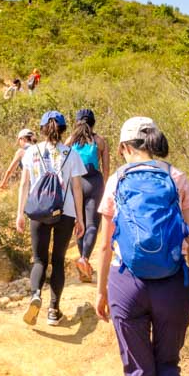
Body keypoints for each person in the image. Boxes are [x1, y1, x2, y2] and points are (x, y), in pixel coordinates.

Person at [95, 117, 189, 376]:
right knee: (168, 364)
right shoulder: (177, 177)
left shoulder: (117, 180)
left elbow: (105, 244)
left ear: (126, 147)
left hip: (126, 284)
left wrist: (101, 292)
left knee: (139, 375)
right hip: (173, 283)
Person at [17, 111, 85, 326]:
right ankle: (54, 311)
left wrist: (20, 213)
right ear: (63, 129)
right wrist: (81, 219)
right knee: (57, 261)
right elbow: (77, 188)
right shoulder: (71, 154)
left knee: (39, 260)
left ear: (42, 129)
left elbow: (24, 185)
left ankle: (36, 295)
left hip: (38, 210)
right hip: (65, 213)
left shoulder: (31, 152)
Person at [66, 108, 110, 283]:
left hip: (75, 183)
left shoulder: (70, 141)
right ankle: (84, 259)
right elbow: (105, 168)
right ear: (93, 123)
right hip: (94, 183)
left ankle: (83, 267)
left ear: (77, 122)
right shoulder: (100, 141)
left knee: (79, 223)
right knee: (92, 225)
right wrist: (105, 188)